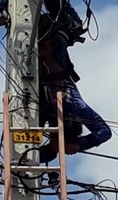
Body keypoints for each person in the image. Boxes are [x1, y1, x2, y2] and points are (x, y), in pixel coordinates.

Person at [37, 13, 112, 163]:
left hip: (40, 64)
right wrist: (79, 145)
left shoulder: (46, 113)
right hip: (54, 46)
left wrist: (58, 147)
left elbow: (33, 150)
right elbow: (104, 132)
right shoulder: (75, 106)